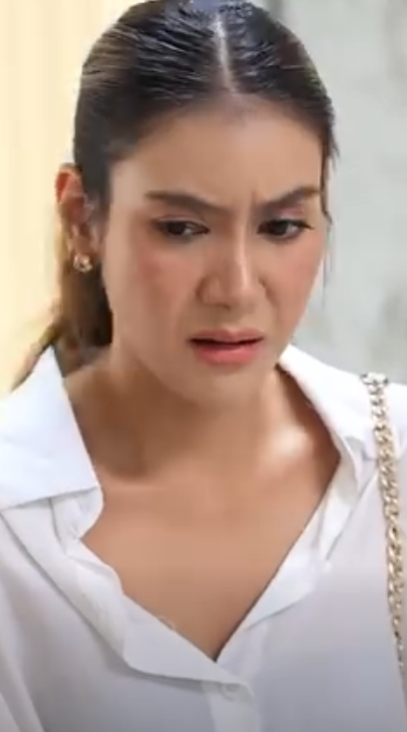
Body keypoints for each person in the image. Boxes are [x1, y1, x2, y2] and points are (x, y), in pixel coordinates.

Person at [0, 0, 406, 730]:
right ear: (82, 217)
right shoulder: (13, 531)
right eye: (182, 228)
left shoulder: (395, 467)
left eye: (281, 226)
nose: (236, 288)